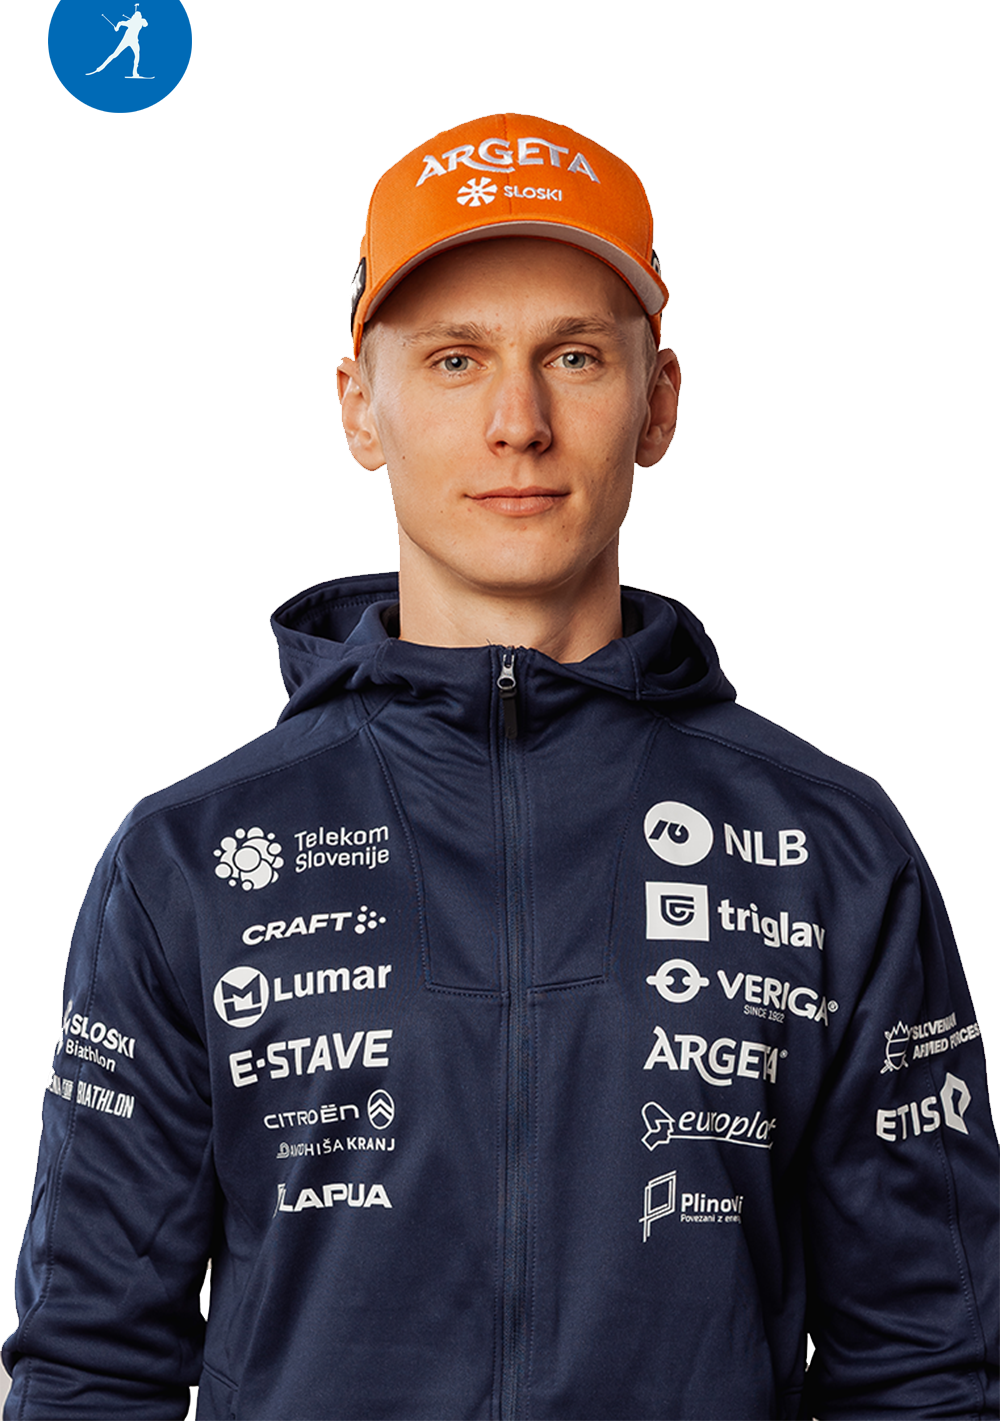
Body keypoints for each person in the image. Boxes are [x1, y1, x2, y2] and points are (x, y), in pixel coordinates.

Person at [4, 111, 999, 1420]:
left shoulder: (832, 848)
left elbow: (931, 1367)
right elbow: (87, 1367)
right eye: (456, 359)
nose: (518, 422)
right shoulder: (188, 860)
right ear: (359, 406)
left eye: (574, 356)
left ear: (658, 402)